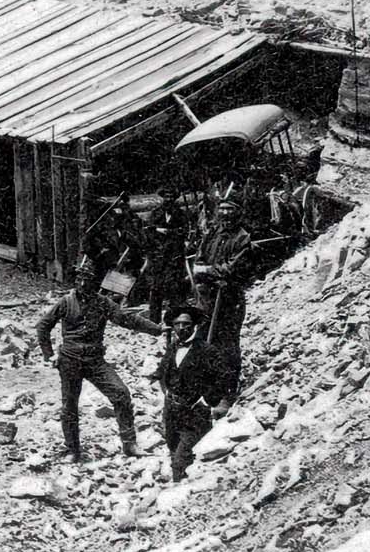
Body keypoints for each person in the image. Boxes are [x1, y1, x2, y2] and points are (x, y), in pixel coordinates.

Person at [35, 255, 164, 462]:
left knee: (121, 393)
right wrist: (49, 355)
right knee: (69, 406)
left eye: (88, 280)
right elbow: (43, 325)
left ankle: (129, 444)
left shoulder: (103, 303)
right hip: (70, 360)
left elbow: (126, 319)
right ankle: (72, 450)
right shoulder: (66, 301)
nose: (83, 284)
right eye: (79, 280)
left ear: (96, 283)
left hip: (95, 361)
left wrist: (156, 329)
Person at [155, 305, 237, 482]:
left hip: (193, 414)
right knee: (172, 448)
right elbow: (162, 372)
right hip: (171, 411)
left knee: (180, 460)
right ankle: (182, 484)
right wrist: (165, 391)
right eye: (177, 324)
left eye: (186, 324)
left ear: (194, 326)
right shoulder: (172, 348)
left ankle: (179, 493)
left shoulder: (206, 350)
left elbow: (224, 378)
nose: (181, 328)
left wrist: (215, 401)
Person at [191, 196, 255, 388]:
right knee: (202, 339)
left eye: (230, 209)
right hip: (207, 297)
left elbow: (230, 268)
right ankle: (204, 384)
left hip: (229, 299)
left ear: (238, 212)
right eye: (223, 209)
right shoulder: (212, 233)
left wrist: (207, 271)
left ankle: (227, 390)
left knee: (227, 344)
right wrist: (203, 271)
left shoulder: (243, 238)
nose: (225, 213)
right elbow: (199, 259)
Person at [144, 183, 191, 326]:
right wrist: (157, 231)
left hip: (174, 257)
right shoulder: (155, 213)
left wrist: (170, 232)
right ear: (162, 198)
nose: (169, 199)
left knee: (175, 288)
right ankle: (154, 322)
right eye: (166, 196)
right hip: (157, 257)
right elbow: (147, 231)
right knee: (156, 288)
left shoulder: (181, 214)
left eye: (171, 197)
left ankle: (173, 321)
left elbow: (185, 231)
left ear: (175, 199)